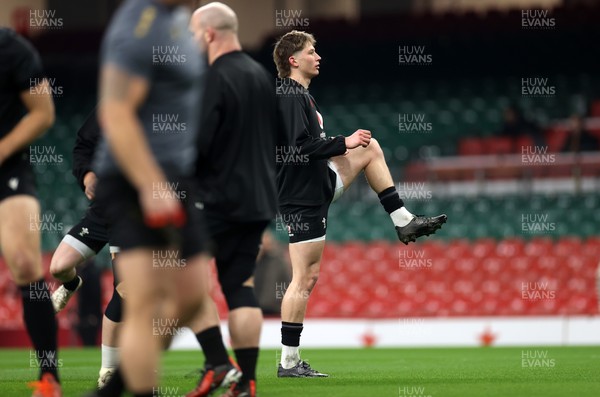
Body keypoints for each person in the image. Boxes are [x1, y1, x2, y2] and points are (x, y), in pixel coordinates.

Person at [272, 30, 447, 377]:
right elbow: (297, 148)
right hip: (301, 197)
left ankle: (403, 220)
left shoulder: (301, 96)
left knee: (370, 147)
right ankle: (288, 363)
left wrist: (345, 145)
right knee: (304, 279)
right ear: (293, 60)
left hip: (316, 185)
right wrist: (342, 141)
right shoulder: (289, 95)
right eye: (311, 51)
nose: (317, 56)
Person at [86, 0, 210, 395]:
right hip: (132, 176)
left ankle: (114, 386)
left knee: (190, 297)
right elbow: (116, 112)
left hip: (176, 176)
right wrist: (149, 185)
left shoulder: (174, 20)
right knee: (145, 304)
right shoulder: (136, 26)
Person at [185, 3, 278, 397]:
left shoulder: (214, 77)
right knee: (239, 285)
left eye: (193, 33)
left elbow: (198, 146)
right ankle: (248, 382)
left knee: (178, 280)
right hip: (257, 201)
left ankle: (219, 363)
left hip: (216, 200)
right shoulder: (262, 76)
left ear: (208, 34)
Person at [0, 28, 61, 396]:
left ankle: (49, 376)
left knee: (24, 262)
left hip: (8, 168)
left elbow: (43, 113)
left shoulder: (11, 48)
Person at [48, 107, 123, 388]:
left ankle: (109, 369)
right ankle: (70, 285)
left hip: (132, 213)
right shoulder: (111, 105)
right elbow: (83, 145)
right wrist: (88, 175)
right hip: (102, 210)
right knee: (59, 267)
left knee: (124, 291)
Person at [254, 230, 292, 316]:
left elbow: (287, 280)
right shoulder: (255, 258)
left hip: (273, 307)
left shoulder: (279, 259)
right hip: (255, 306)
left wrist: (280, 300)